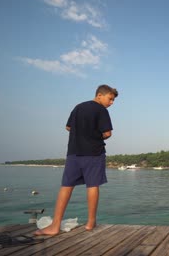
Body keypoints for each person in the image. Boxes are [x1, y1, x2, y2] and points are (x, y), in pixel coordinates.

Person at [34, 85, 118, 236]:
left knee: (66, 186)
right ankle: (90, 222)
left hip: (73, 152)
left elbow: (68, 127)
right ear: (99, 95)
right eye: (110, 99)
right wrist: (93, 135)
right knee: (92, 185)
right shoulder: (101, 110)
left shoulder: (78, 107)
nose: (111, 103)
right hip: (94, 153)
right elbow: (107, 133)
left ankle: (55, 225)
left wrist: (81, 133)